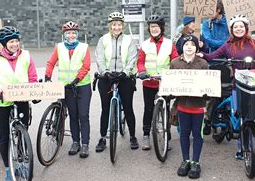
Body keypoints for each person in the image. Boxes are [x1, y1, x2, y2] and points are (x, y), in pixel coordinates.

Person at [201, 14, 255, 162]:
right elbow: (212, 56)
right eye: (235, 27)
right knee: (241, 116)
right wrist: (201, 53)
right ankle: (241, 147)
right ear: (232, 29)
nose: (239, 29)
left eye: (241, 26)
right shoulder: (228, 45)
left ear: (246, 28)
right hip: (238, 85)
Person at [0, 26, 38, 181]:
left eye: (16, 41)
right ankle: (8, 169)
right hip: (1, 101)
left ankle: (21, 162)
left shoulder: (26, 55)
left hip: (21, 98)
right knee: (3, 135)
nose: (15, 44)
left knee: (22, 131)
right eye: (11, 42)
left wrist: (34, 91)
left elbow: (32, 77)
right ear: (4, 43)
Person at [45, 21, 92, 158]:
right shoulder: (59, 47)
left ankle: (85, 144)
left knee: (83, 115)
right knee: (73, 115)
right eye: (68, 33)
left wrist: (77, 80)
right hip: (66, 87)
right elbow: (51, 62)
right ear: (64, 35)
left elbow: (86, 66)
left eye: (73, 33)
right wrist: (47, 76)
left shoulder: (84, 47)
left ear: (77, 34)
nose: (71, 35)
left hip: (82, 86)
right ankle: (75, 142)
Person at [95, 11, 138, 151]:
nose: (116, 27)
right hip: (106, 77)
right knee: (105, 109)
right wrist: (104, 72)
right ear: (110, 26)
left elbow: (132, 58)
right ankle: (102, 138)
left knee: (128, 107)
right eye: (114, 24)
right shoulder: (103, 40)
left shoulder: (128, 40)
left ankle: (132, 136)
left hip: (124, 77)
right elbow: (99, 58)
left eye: (119, 24)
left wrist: (125, 72)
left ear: (123, 26)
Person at [136, 15, 179, 150]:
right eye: (151, 27)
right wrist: (142, 71)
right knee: (148, 109)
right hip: (149, 81)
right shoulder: (145, 44)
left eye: (156, 26)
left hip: (165, 81)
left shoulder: (168, 43)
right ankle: (146, 135)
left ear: (161, 28)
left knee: (165, 107)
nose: (154, 29)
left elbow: (175, 59)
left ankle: (167, 137)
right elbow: (141, 61)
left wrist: (174, 71)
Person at [171, 34, 209, 179]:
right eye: (186, 45)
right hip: (182, 106)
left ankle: (196, 162)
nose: (189, 47)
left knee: (197, 134)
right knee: (184, 134)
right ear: (182, 46)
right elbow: (171, 83)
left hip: (198, 106)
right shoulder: (175, 63)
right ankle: (185, 160)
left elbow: (208, 85)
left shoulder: (203, 64)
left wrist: (207, 94)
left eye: (192, 45)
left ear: (196, 47)